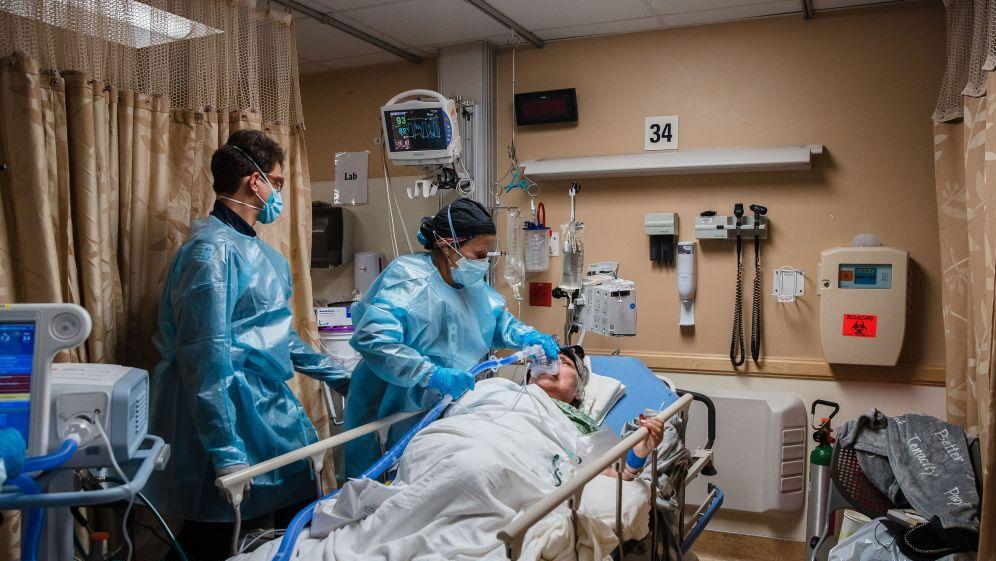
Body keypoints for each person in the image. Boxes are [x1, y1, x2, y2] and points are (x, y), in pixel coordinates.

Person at [146, 129, 350, 539]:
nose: (278, 193)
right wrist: (225, 449)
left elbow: (277, 336)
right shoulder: (211, 254)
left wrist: (341, 375)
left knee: (298, 512)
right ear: (254, 181)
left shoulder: (261, 255)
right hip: (225, 410)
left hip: (267, 407)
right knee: (220, 534)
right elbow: (205, 355)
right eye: (276, 182)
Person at [343, 198, 559, 479]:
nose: (484, 263)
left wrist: (527, 335)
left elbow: (493, 321)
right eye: (479, 254)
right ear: (448, 247)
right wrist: (431, 373)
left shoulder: (469, 285)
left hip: (439, 406)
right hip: (387, 403)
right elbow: (374, 339)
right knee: (375, 493)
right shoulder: (409, 279)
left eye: (487, 254)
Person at [529, 345, 663, 480]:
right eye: (545, 360)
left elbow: (608, 482)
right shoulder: (509, 393)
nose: (551, 364)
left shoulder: (580, 431)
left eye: (565, 362)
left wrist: (636, 457)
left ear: (578, 392)